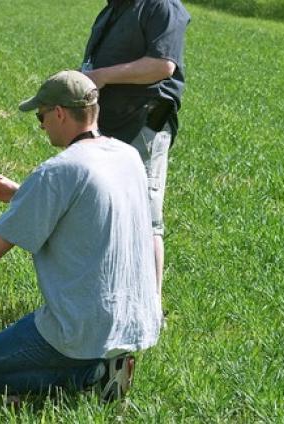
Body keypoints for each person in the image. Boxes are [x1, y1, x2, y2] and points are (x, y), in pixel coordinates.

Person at [0, 71, 162, 400]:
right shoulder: (126, 155)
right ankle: (108, 362)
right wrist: (19, 194)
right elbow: (88, 210)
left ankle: (91, 375)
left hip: (82, 328)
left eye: (41, 116)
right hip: (132, 321)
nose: (42, 124)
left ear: (59, 113)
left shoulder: (59, 170)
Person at [80, 0, 191, 297]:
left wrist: (102, 76)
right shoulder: (114, 8)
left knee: (146, 217)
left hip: (143, 124)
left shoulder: (161, 6)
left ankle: (150, 309)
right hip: (109, 124)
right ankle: (110, 296)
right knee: (105, 210)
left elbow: (162, 65)